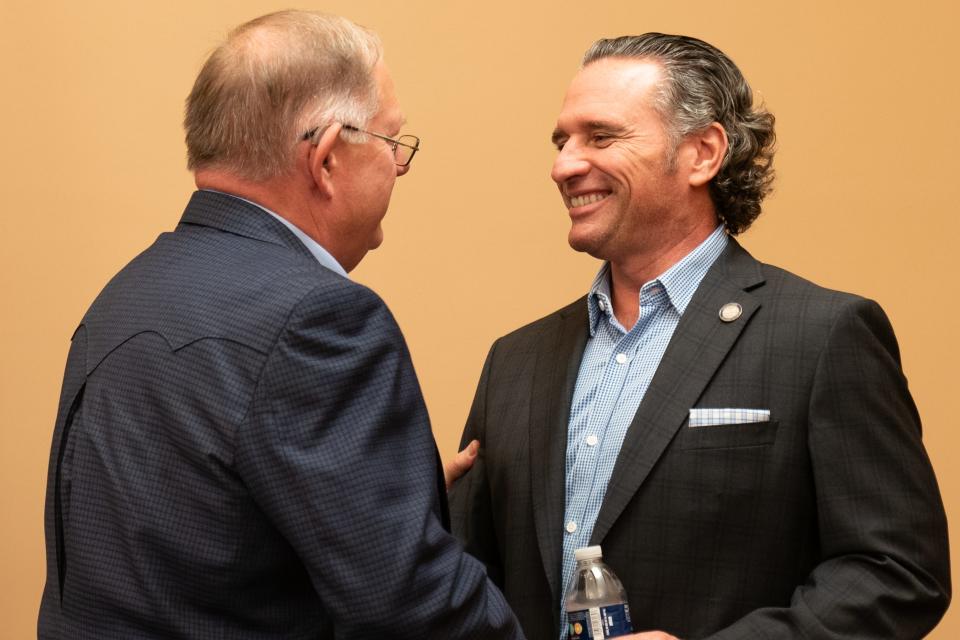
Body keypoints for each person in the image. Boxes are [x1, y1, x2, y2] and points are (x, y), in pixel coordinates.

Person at [449, 33, 950, 640]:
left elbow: (896, 572)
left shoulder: (822, 336)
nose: (563, 165)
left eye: (601, 136)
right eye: (562, 141)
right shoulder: (516, 360)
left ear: (703, 153)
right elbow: (468, 578)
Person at [38, 10, 521, 639]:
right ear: (326, 160)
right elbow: (410, 610)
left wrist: (396, 496)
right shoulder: (320, 320)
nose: (399, 169)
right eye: (393, 143)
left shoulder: (126, 293)